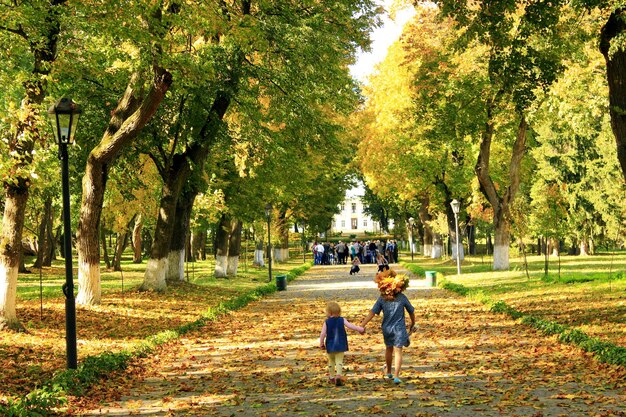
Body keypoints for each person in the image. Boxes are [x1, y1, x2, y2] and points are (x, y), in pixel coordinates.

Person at [361, 271, 416, 384]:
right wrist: (413, 322)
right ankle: (396, 375)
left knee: (388, 349)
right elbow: (411, 311)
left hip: (386, 329)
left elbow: (372, 312)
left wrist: (362, 324)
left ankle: (389, 372)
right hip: (399, 329)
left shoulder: (382, 299)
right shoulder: (402, 297)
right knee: (398, 351)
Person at [319, 301, 365, 386]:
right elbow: (351, 326)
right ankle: (338, 376)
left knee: (331, 361)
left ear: (329, 313)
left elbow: (323, 334)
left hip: (330, 345)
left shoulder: (326, 322)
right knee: (339, 361)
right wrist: (360, 329)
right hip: (340, 344)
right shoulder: (342, 319)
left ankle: (331, 377)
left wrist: (321, 343)